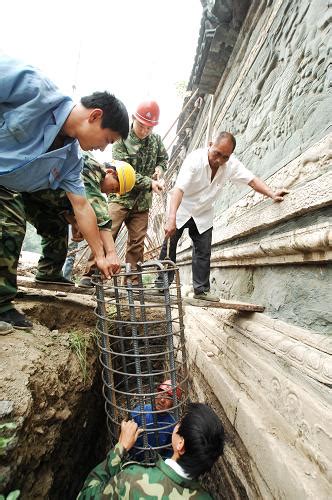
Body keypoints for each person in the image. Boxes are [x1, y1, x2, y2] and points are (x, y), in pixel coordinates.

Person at [0, 55, 129, 328]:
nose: (104, 149)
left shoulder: (71, 160)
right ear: (95, 116)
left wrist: (101, 256)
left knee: (11, 228)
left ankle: (1, 304)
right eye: (107, 140)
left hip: (5, 186)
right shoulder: (33, 87)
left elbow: (83, 208)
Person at [0, 153, 135, 330]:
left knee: (56, 225)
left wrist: (73, 221)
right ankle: (2, 304)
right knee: (11, 230)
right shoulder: (91, 167)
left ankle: (49, 272)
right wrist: (110, 254)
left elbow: (66, 199)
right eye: (114, 188)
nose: (110, 193)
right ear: (110, 172)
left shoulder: (87, 182)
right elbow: (101, 217)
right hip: (12, 185)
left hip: (36, 198)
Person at [156, 131, 289, 301]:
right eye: (216, 153)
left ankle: (201, 291)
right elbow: (179, 190)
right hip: (181, 207)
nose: (219, 160)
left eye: (225, 157)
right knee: (170, 245)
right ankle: (161, 285)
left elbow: (252, 180)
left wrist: (272, 193)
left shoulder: (231, 164)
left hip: (203, 213)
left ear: (230, 155)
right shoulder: (194, 160)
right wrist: (171, 218)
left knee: (203, 251)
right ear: (210, 145)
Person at [78, 100, 168, 287]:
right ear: (134, 119)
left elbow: (163, 159)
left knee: (137, 242)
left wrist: (159, 170)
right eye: (142, 126)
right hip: (120, 196)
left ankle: (132, 281)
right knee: (106, 230)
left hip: (142, 202)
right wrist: (150, 183)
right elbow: (127, 174)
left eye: (149, 128)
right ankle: (92, 274)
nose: (144, 131)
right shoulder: (121, 140)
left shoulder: (156, 141)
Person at [77, 402, 225, 499]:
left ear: (180, 444)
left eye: (180, 424)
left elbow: (85, 496)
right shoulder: (206, 497)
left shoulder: (131, 479)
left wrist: (120, 448)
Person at [131, 379, 182, 459]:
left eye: (168, 397)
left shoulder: (173, 425)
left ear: (174, 403)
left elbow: (171, 451)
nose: (162, 400)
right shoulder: (138, 413)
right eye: (161, 394)